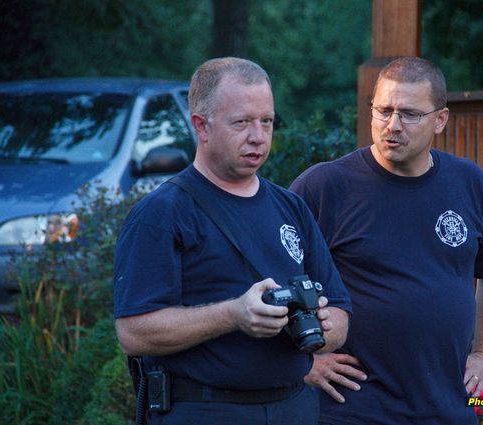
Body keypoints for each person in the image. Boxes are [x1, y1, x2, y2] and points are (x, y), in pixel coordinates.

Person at [113, 57, 352, 425]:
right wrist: (233, 315)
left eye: (267, 121)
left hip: (294, 407)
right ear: (201, 127)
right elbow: (133, 333)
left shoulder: (292, 207)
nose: (258, 136)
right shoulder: (161, 213)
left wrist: (326, 325)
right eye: (241, 122)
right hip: (206, 410)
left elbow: (338, 309)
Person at [290, 56, 483, 425]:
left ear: (440, 120)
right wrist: (302, 364)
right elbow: (269, 278)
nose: (392, 125)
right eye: (383, 111)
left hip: (448, 407)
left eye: (410, 114)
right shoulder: (325, 187)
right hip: (355, 410)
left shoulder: (468, 182)